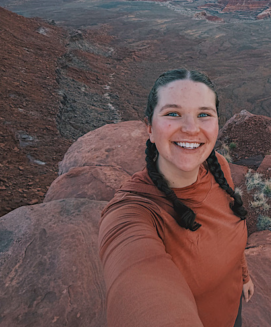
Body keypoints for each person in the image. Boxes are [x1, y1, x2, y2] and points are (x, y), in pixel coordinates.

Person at [98, 69, 254, 327]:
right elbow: (139, 282)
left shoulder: (219, 168)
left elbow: (227, 228)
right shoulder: (133, 213)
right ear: (149, 127)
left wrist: (244, 277)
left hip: (232, 308)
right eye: (173, 114)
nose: (191, 129)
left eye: (204, 114)